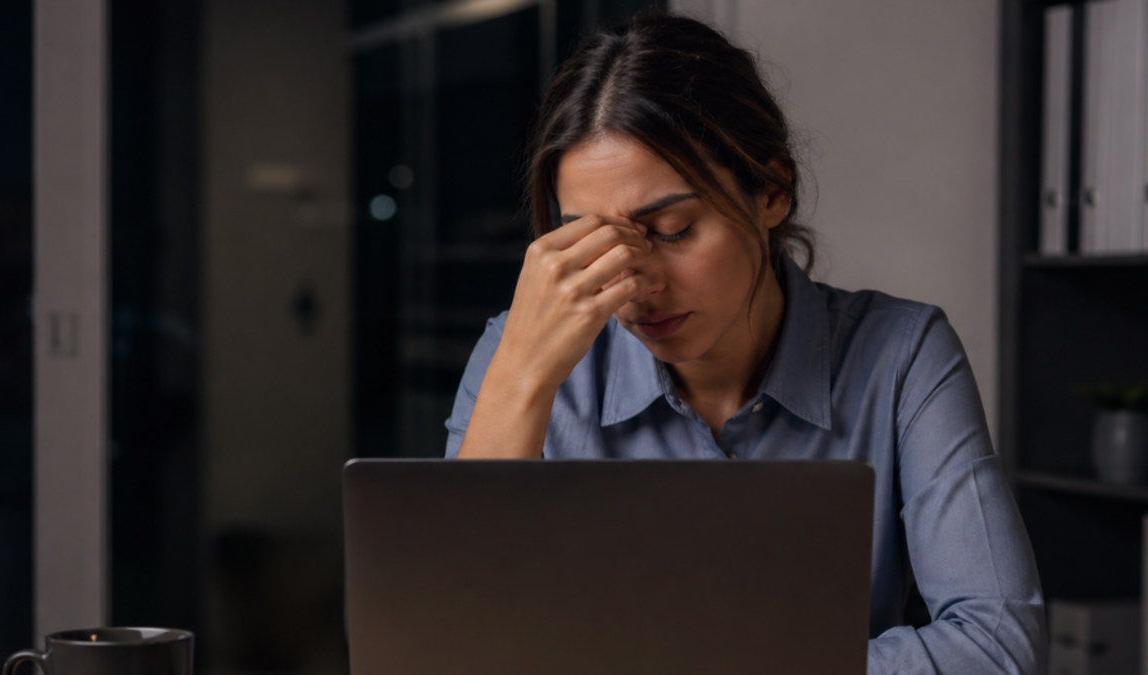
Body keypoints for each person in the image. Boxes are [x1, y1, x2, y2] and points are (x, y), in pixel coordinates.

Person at [444, 11, 1045, 674]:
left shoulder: (901, 355)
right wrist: (521, 380)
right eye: (591, 245)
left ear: (772, 190)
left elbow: (998, 648)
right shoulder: (516, 354)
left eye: (671, 229)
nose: (634, 284)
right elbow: (446, 648)